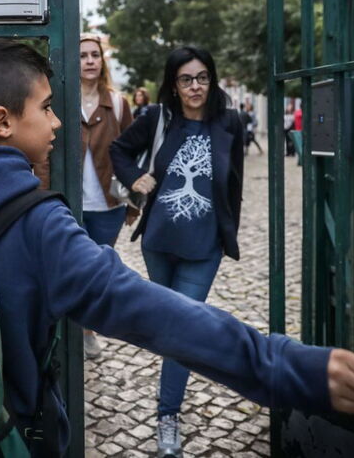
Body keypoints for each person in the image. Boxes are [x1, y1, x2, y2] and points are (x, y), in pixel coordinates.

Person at [0, 39, 354, 457]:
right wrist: (282, 364)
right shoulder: (38, 226)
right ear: (3, 121)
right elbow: (152, 313)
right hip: (0, 433)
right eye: (46, 108)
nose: (55, 123)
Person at [109, 47, 252, 453]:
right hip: (159, 244)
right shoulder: (158, 119)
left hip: (203, 248)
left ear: (212, 79)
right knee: (169, 327)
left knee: (181, 331)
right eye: (187, 79)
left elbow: (235, 185)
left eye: (203, 77)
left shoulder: (230, 123)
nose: (195, 86)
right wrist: (136, 178)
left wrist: (228, 234)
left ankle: (167, 414)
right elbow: (117, 150)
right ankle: (170, 404)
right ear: (174, 83)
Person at [78, 33, 133, 359]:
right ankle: (80, 330)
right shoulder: (60, 99)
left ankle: (87, 328)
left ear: (102, 61)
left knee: (97, 272)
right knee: (76, 269)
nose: (88, 61)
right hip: (70, 204)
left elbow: (131, 154)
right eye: (83, 55)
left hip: (107, 206)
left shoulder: (118, 103)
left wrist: (131, 203)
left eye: (94, 55)